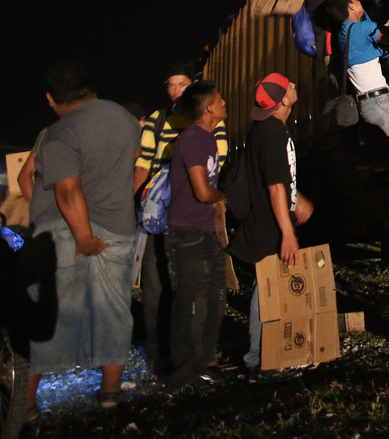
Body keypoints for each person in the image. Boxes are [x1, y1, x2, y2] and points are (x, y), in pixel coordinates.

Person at [26, 62, 140, 414]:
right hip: (120, 226)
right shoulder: (124, 118)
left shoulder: (61, 131)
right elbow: (133, 162)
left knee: (46, 312)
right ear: (90, 88)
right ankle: (109, 394)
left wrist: (84, 236)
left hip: (70, 232)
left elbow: (68, 192)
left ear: (50, 98)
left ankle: (25, 403)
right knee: (114, 309)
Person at [133, 64, 229, 374]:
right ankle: (171, 359)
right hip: (169, 218)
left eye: (182, 83)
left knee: (203, 291)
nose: (177, 90)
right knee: (168, 290)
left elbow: (214, 167)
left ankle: (199, 356)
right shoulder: (169, 128)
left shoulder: (208, 132)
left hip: (193, 218)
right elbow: (145, 166)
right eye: (172, 85)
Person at [225, 73, 314, 375]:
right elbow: (275, 186)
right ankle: (260, 357)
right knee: (266, 293)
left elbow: (276, 177)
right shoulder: (273, 132)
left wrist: (296, 197)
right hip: (269, 226)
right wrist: (288, 234)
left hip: (269, 220)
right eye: (289, 85)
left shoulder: (268, 129)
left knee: (267, 291)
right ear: (282, 101)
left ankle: (266, 354)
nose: (293, 86)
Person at [164, 80, 229, 388]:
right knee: (192, 303)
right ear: (209, 108)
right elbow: (203, 192)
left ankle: (206, 361)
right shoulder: (192, 139)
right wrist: (225, 197)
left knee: (216, 297)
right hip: (186, 231)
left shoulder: (208, 137)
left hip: (204, 230)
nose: (225, 102)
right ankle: (187, 373)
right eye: (220, 99)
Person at [322, 0, 389, 138]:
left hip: (370, 103)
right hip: (378, 102)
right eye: (356, 0)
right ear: (351, 7)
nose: (359, 2)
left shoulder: (344, 34)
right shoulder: (363, 29)